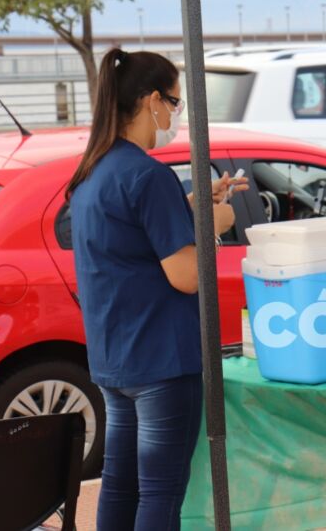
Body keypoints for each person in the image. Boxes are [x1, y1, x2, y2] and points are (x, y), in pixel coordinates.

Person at [67, 48, 246, 530]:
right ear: (151, 101)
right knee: (161, 496)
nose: (173, 115)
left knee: (120, 486)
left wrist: (189, 205)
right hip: (163, 363)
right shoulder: (148, 175)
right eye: (173, 102)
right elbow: (185, 274)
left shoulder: (93, 171)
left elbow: (130, 236)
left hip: (114, 360)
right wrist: (215, 224)